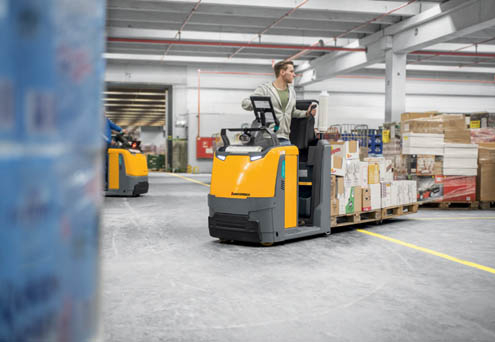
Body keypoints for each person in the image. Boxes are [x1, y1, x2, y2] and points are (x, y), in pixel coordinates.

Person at [241, 60, 316, 146]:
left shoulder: (292, 92)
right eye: (291, 71)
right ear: (282, 72)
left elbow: (292, 112)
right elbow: (245, 103)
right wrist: (260, 104)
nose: (294, 75)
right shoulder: (265, 89)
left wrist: (306, 113)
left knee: (290, 158)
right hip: (268, 138)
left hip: (285, 138)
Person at [103, 116, 127, 190]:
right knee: (104, 164)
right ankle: (104, 183)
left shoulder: (106, 120)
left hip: (108, 145)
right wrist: (109, 141)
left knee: (110, 164)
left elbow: (113, 126)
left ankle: (111, 182)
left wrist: (121, 130)